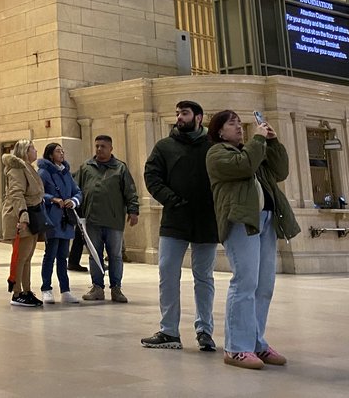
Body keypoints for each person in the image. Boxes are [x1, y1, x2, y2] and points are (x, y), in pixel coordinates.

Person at [206, 110, 300, 370]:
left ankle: (257, 341)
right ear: (219, 131)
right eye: (231, 123)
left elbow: (280, 171)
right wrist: (258, 142)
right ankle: (236, 347)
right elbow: (245, 166)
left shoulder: (254, 150)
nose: (238, 127)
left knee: (264, 285)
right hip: (241, 222)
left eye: (239, 123)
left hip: (267, 220)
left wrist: (272, 140)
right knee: (245, 282)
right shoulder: (217, 154)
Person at [141, 101, 219, 351]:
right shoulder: (164, 146)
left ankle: (205, 330)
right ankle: (169, 332)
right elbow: (152, 176)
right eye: (177, 113)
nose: (179, 117)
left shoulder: (213, 146)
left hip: (207, 220)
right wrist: (171, 200)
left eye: (184, 113)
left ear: (199, 117)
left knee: (204, 277)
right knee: (167, 273)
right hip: (175, 219)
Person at [76, 135, 139, 303]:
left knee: (115, 255)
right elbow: (76, 189)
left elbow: (130, 191)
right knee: (94, 255)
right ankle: (97, 288)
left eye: (103, 146)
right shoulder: (86, 168)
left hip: (114, 220)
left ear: (111, 148)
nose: (99, 149)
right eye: (96, 146)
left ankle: (116, 288)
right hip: (92, 220)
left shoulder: (120, 168)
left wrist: (133, 210)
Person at [36, 143, 83, 304]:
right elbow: (39, 193)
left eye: (63, 150)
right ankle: (46, 289)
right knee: (50, 255)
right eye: (58, 151)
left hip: (66, 221)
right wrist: (53, 199)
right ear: (50, 155)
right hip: (52, 219)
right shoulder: (43, 172)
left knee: (63, 257)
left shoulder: (66, 173)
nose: (62, 153)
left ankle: (65, 290)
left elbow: (77, 191)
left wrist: (74, 201)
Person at [1, 139, 45, 308]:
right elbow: (16, 194)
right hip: (20, 216)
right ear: (26, 151)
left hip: (31, 214)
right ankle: (17, 292)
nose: (35, 151)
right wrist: (23, 216)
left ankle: (26, 291)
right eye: (33, 148)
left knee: (27, 257)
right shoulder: (17, 169)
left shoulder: (28, 168)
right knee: (21, 257)